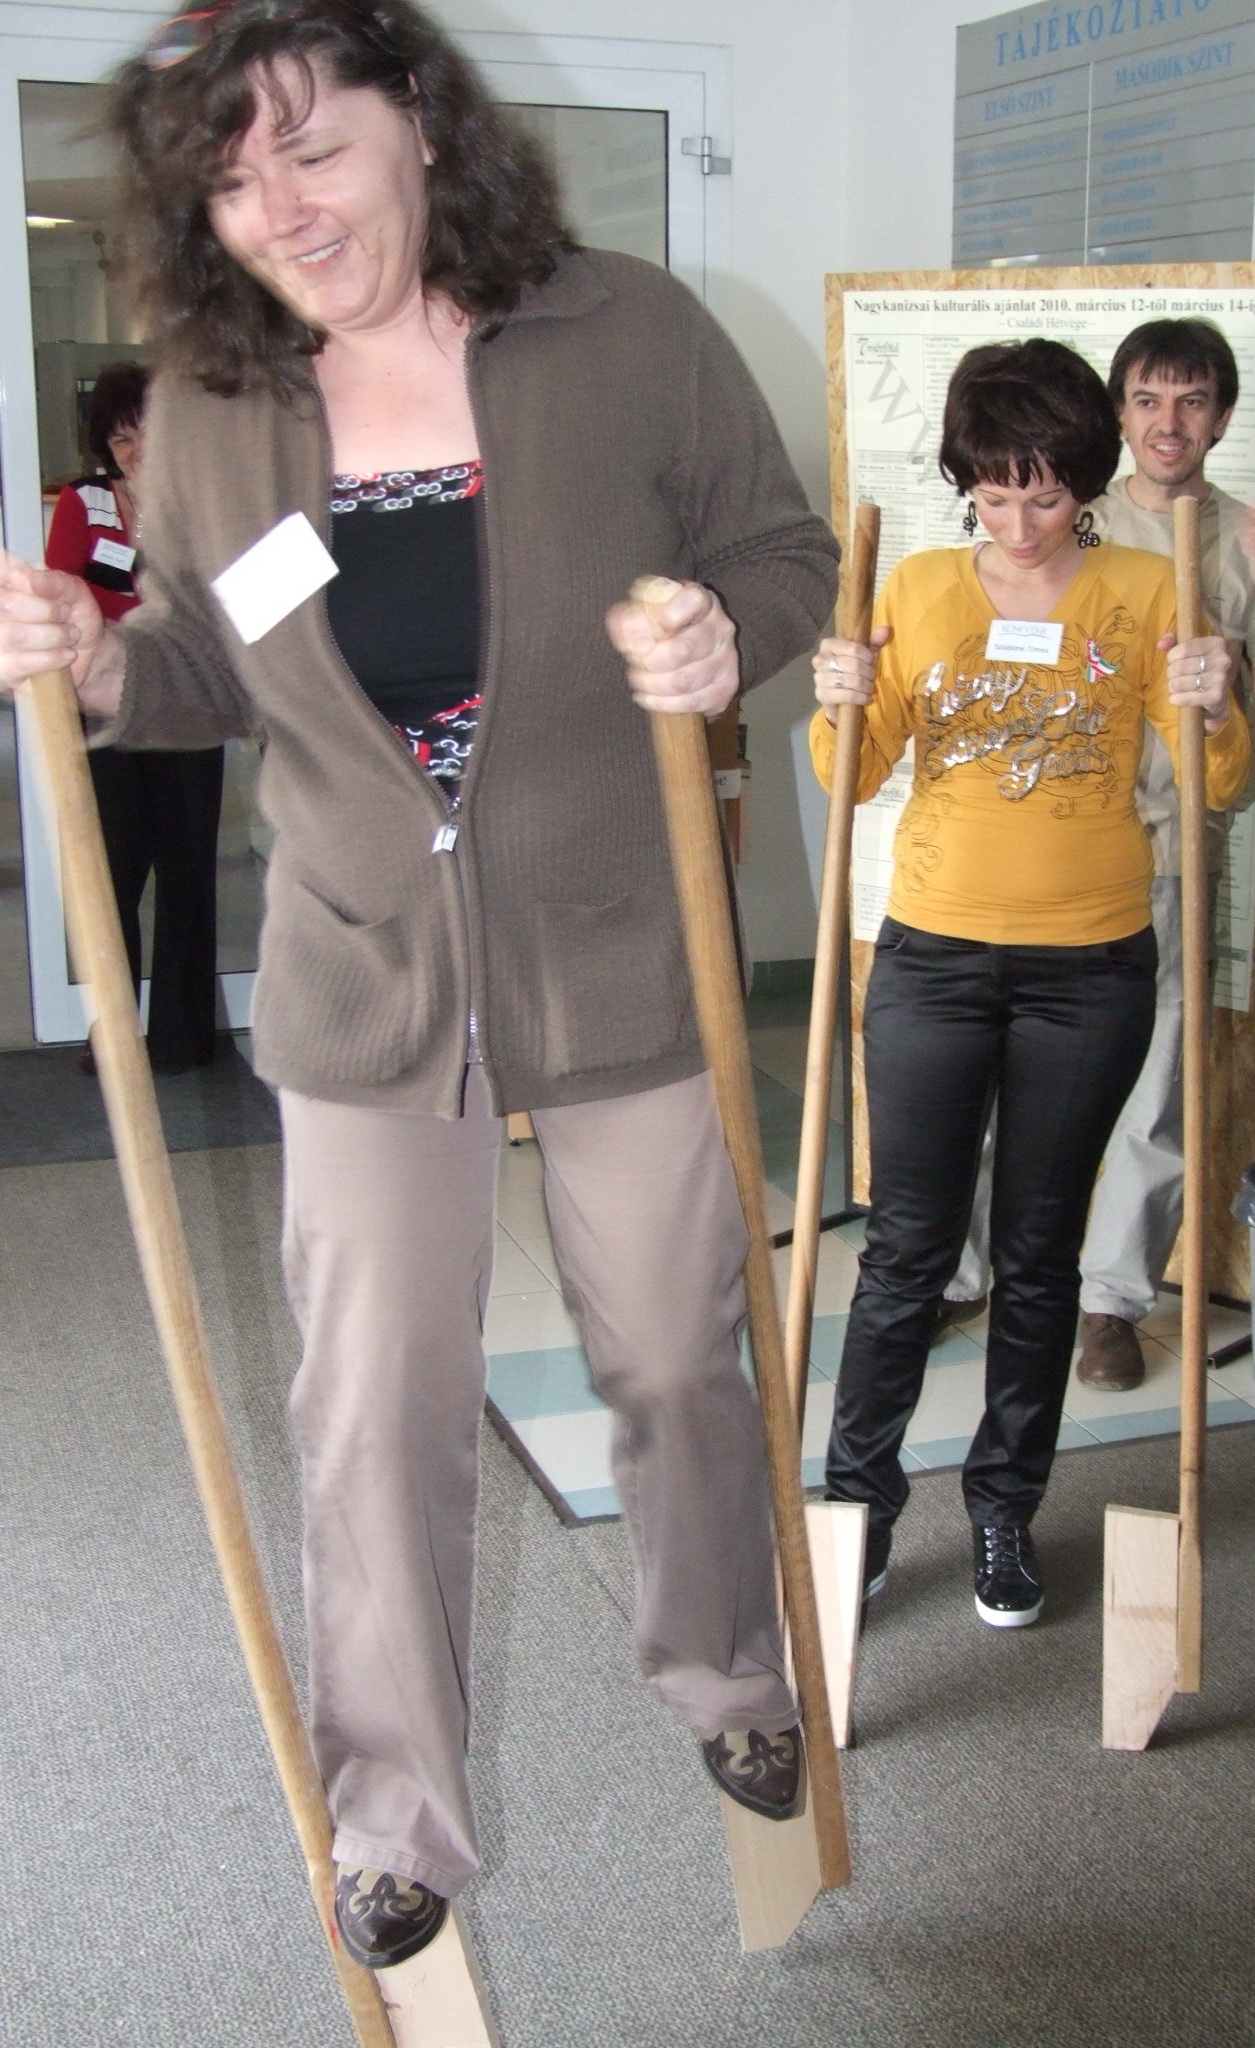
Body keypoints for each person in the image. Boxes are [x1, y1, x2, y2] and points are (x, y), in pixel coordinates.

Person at [0, 0, 838, 1969]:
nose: (280, 207)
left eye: (313, 146)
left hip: (618, 936)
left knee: (670, 1351)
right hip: (366, 966)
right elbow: (202, 663)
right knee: (370, 1403)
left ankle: (726, 1664)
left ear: (423, 125)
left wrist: (728, 636)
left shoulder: (623, 329)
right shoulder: (217, 402)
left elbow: (783, 550)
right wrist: (105, 665)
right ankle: (395, 1807)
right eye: (231, 178)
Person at [810, 340, 1250, 1624]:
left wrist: (1218, 702)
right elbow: (855, 771)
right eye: (992, 495)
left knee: (1040, 1253)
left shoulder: (1149, 586)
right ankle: (858, 1510)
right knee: (906, 1251)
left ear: (1088, 483)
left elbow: (1222, 783)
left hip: (1091, 966)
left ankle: (1005, 1510)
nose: (1017, 524)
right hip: (934, 957)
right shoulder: (921, 586)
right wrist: (840, 696)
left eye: (1045, 496)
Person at [938, 318, 1255, 1393]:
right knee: (995, 1070)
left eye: (1193, 400)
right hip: (1046, 845)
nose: (1170, 422)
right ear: (1118, 413)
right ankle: (960, 1270)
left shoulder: (1252, 539)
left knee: (1155, 1086)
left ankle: (1111, 1300)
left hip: (1171, 852)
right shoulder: (1068, 512)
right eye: (1149, 399)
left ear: (1223, 416)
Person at [45, 362, 225, 1074]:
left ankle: (183, 1039)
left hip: (187, 706)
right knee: (112, 873)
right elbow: (69, 592)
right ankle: (115, 1040)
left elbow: (201, 598)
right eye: (120, 439)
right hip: (105, 710)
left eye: (145, 431)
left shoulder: (199, 498)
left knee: (188, 872)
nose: (135, 449)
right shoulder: (82, 501)